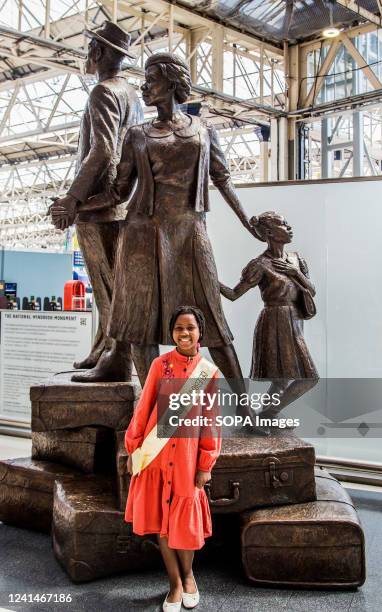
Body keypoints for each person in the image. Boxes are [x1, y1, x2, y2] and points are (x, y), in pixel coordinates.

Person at [76, 51, 259, 387]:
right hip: (142, 236)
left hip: (190, 232)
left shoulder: (203, 131)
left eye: (152, 80)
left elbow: (223, 177)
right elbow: (118, 193)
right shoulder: (137, 134)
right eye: (144, 81)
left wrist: (248, 221)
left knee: (214, 327)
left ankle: (246, 412)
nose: (145, 87)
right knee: (139, 326)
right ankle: (154, 414)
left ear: (173, 82)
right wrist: (75, 206)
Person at [49, 21, 143, 379]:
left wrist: (73, 198)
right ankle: (104, 349)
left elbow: (102, 149)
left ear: (100, 52)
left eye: (91, 47)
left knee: (107, 286)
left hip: (98, 202)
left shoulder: (103, 92)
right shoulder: (131, 94)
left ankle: (116, 360)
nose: (87, 54)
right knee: (113, 283)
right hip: (118, 198)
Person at [124, 306, 221, 611]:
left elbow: (211, 422)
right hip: (155, 455)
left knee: (184, 523)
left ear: (199, 333)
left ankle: (189, 575)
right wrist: (134, 448)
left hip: (188, 460)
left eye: (190, 328)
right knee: (162, 521)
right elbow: (144, 408)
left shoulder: (208, 373)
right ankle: (174, 583)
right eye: (179, 328)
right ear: (172, 333)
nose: (184, 333)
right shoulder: (159, 365)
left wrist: (205, 464)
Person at [220, 212, 318, 410]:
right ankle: (269, 413)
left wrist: (295, 272)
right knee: (306, 378)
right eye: (283, 224)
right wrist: (210, 280)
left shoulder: (296, 259)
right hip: (276, 320)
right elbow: (233, 294)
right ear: (269, 232)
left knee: (284, 379)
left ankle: (266, 414)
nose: (289, 227)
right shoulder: (260, 264)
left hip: (296, 319)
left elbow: (312, 291)